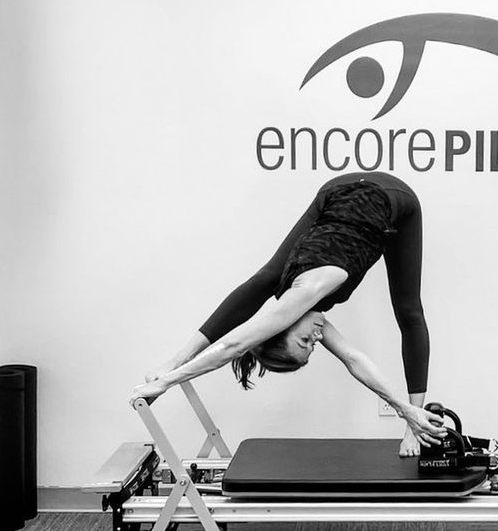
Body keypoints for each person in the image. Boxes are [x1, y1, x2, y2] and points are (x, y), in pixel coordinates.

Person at [132, 172, 446, 455]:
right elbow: (353, 360)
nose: (317, 338)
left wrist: (169, 377)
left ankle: (413, 430)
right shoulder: (306, 310)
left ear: (284, 325)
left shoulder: (304, 295)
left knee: (408, 311)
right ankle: (415, 418)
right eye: (312, 345)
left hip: (391, 196)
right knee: (268, 279)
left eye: (305, 340)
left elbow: (233, 345)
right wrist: (404, 409)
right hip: (336, 191)